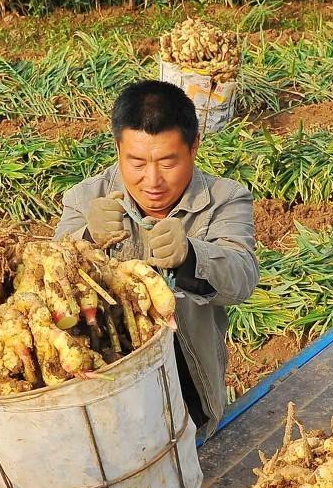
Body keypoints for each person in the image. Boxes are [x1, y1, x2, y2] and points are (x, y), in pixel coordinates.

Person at [55, 80, 259, 438]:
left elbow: (242, 275)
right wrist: (85, 240)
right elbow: (48, 275)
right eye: (136, 162)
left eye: (167, 162)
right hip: (102, 388)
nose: (152, 181)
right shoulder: (85, 198)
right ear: (118, 148)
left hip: (185, 385)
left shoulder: (225, 199)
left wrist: (191, 256)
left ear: (194, 146)